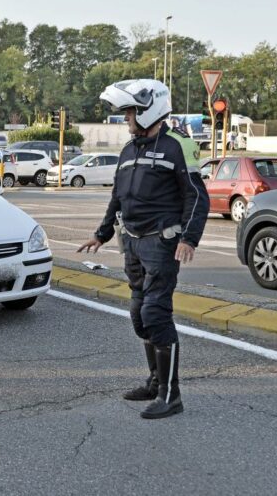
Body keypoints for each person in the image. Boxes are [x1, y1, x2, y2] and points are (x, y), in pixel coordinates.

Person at [77, 79, 209, 419]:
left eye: (130, 112)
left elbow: (197, 195)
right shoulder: (128, 150)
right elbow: (117, 197)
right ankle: (154, 381)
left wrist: (188, 238)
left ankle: (171, 395)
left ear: (149, 109)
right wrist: (101, 234)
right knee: (139, 316)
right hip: (132, 243)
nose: (126, 119)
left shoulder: (177, 146)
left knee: (155, 314)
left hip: (161, 244)